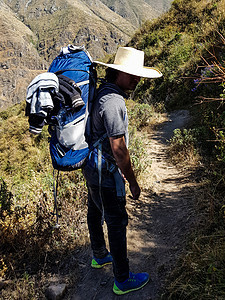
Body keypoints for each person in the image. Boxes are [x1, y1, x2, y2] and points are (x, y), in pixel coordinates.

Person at [82, 47, 162, 295]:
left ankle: (98, 255)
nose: (137, 79)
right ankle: (123, 279)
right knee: (116, 222)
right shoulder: (114, 101)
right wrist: (133, 182)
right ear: (117, 72)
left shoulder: (101, 93)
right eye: (132, 74)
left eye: (138, 75)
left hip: (91, 168)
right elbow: (119, 150)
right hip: (106, 173)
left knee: (95, 209)